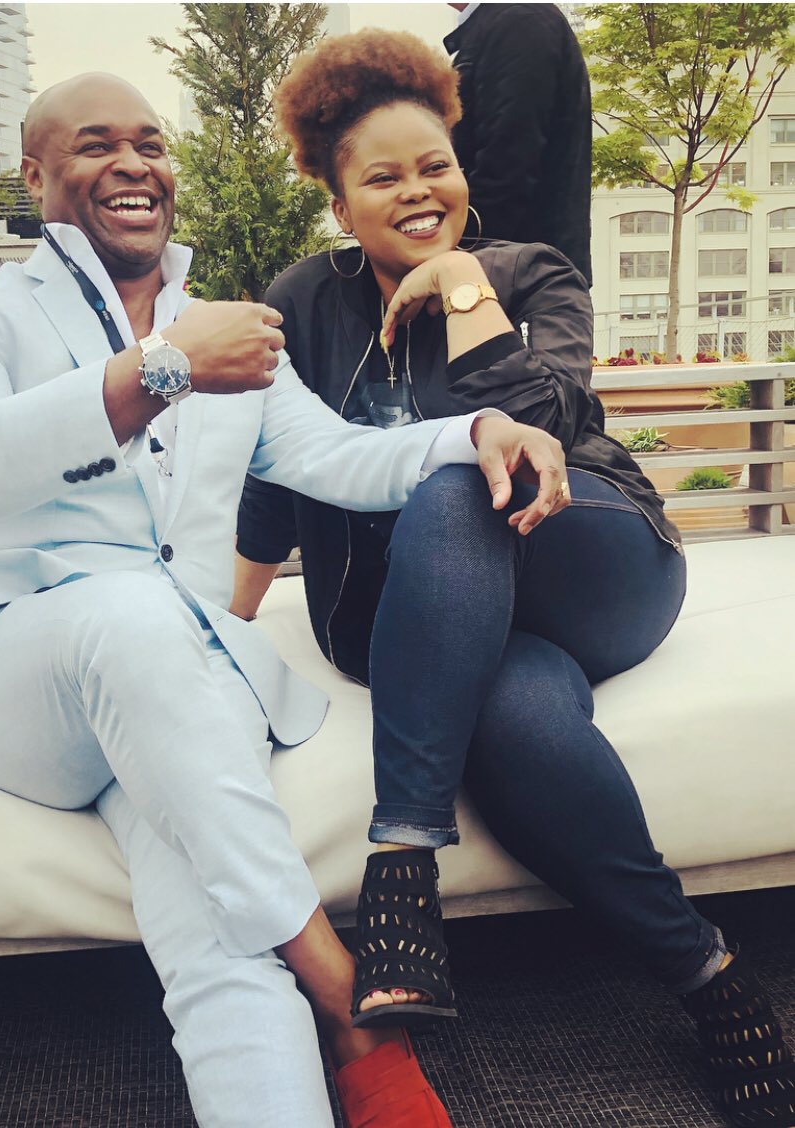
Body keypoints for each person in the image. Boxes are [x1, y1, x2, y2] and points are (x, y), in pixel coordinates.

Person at [0, 71, 573, 1128]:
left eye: (151, 144)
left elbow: (336, 456)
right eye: (96, 144)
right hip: (13, 675)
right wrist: (161, 369)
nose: (133, 164)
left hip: (171, 689)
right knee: (128, 613)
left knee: (212, 931)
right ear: (34, 174)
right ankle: (340, 988)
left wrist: (475, 432)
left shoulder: (228, 332)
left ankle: (312, 1075)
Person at [233, 30, 795, 1128]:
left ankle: (402, 859)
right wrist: (227, 622)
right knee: (514, 715)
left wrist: (462, 287)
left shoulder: (528, 271)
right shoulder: (302, 302)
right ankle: (709, 977)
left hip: (588, 559)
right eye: (383, 177)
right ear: (339, 203)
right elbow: (271, 476)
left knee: (462, 466)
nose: (417, 190)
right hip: (424, 614)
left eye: (434, 165)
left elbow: (552, 424)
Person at [443, 3, 592, 285]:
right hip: (516, 271)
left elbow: (507, 169)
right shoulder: (508, 20)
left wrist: (448, 257)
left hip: (524, 281)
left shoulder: (521, 21)